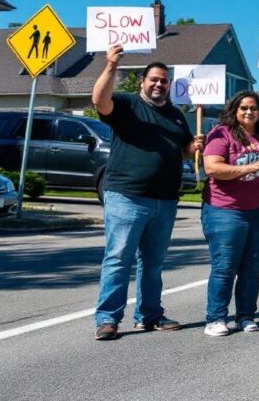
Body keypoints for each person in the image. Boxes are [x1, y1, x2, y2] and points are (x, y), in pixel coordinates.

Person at [91, 45, 204, 340]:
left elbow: (182, 151)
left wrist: (193, 147)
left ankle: (149, 315)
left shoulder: (176, 115)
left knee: (153, 264)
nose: (159, 84)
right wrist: (111, 66)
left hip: (164, 201)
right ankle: (107, 319)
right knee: (118, 259)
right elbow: (99, 101)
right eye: (154, 79)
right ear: (142, 81)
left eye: (164, 81)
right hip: (126, 196)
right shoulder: (126, 104)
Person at [200, 91, 259, 337]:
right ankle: (215, 318)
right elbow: (212, 168)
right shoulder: (221, 133)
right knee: (225, 267)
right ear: (234, 111)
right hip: (225, 211)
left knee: (252, 269)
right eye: (243, 108)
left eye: (253, 108)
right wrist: (252, 167)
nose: (249, 112)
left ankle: (246, 316)